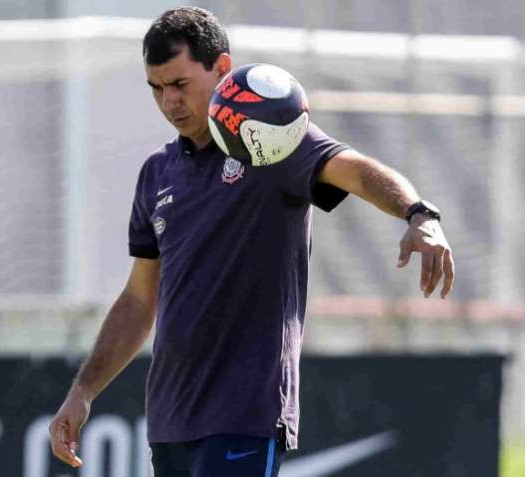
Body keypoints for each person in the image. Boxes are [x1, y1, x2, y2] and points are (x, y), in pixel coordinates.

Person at [48, 6, 455, 477]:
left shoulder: (270, 141)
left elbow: (357, 170)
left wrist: (419, 214)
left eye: (180, 85)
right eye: (156, 89)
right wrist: (82, 391)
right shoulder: (156, 173)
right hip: (171, 419)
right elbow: (140, 299)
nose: (169, 102)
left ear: (222, 69)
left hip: (246, 411)